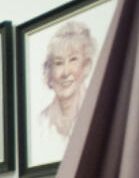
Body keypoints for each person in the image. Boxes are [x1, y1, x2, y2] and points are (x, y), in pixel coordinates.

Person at [33, 20, 97, 161]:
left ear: (86, 66)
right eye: (59, 63)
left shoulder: (97, 114)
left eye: (73, 60)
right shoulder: (41, 122)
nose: (65, 72)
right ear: (49, 71)